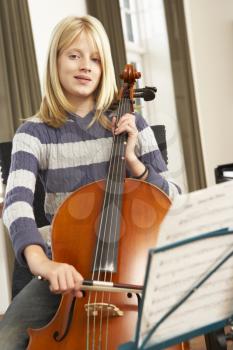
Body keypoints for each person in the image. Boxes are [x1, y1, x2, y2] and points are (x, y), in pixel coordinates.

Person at [0, 15, 180, 350]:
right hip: (68, 274)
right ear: (55, 62)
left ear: (105, 68)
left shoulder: (132, 124)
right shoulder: (32, 134)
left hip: (134, 273)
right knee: (8, 339)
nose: (86, 66)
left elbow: (174, 201)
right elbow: (17, 205)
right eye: (74, 56)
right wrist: (44, 264)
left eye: (95, 59)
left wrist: (133, 161)